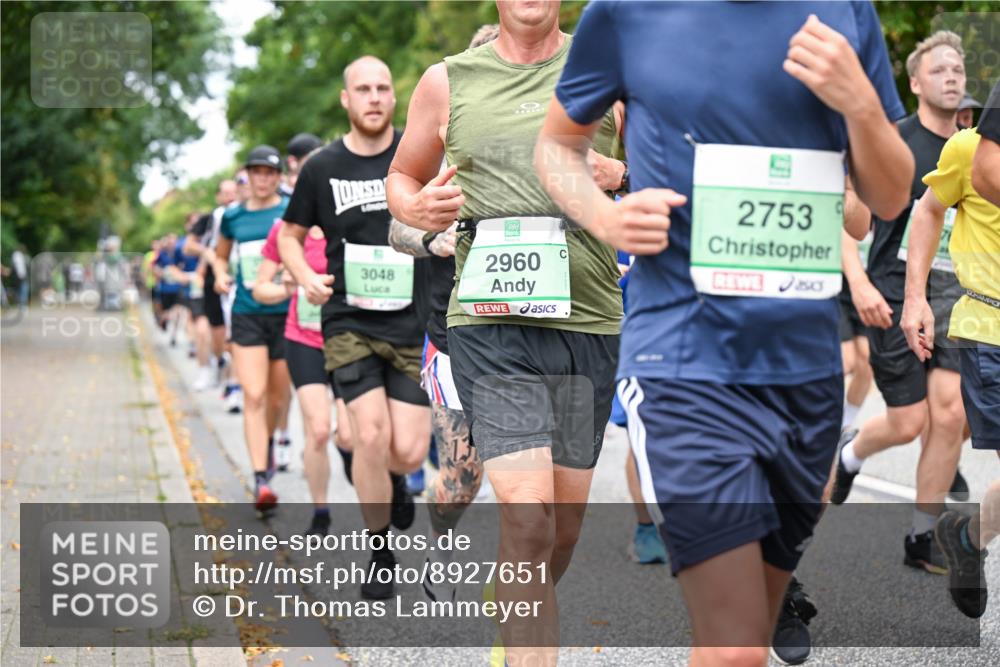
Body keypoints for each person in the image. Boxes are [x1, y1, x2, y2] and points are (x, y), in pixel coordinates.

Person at [536, 4, 912, 666]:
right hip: (683, 356)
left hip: (805, 371)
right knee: (738, 642)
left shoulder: (846, 10)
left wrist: (862, 105)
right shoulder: (627, 12)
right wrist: (604, 216)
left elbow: (888, 197)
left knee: (740, 638)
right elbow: (558, 144)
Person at [387, 2, 627, 662]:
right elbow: (402, 178)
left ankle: (517, 592)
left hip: (588, 319)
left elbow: (670, 176)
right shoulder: (447, 81)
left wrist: (624, 176)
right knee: (527, 517)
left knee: (563, 532)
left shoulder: (610, 63)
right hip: (490, 326)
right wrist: (417, 205)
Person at [279, 56, 429, 600]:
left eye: (383, 88)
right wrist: (304, 277)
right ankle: (380, 547)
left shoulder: (418, 153)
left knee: (409, 451)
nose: (373, 97)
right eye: (362, 88)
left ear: (395, 96)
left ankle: (392, 481)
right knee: (368, 433)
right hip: (348, 319)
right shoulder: (321, 167)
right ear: (346, 99)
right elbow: (290, 235)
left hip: (413, 320)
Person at [829, 31, 971, 573]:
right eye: (940, 69)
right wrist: (860, 283)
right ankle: (851, 452)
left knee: (951, 412)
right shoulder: (892, 142)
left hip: (952, 295)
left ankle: (922, 535)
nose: (953, 76)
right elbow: (849, 218)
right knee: (910, 421)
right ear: (915, 83)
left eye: (958, 68)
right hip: (890, 289)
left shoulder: (973, 144)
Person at [386, 23, 501, 605]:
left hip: (533, 329)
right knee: (462, 477)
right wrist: (433, 240)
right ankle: (440, 543)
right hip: (453, 336)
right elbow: (396, 226)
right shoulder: (440, 151)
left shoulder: (542, 145)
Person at [901, 79, 1000, 620]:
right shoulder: (969, 148)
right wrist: (915, 297)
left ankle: (967, 537)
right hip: (990, 327)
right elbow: (926, 212)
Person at [213, 145, 292, 512]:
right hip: (247, 314)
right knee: (255, 395)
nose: (263, 179)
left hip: (285, 313)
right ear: (247, 176)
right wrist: (219, 274)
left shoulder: (291, 209)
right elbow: (219, 254)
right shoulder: (233, 217)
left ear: (277, 176)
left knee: (277, 399)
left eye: (270, 172)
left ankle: (271, 446)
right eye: (256, 172)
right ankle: (261, 478)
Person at [185, 180, 239, 392]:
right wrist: (206, 253)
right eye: (226, 193)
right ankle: (217, 363)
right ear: (218, 196)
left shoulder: (244, 216)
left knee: (234, 333)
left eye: (234, 192)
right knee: (216, 331)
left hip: (238, 280)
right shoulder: (210, 220)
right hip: (211, 282)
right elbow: (189, 246)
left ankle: (235, 385)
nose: (230, 197)